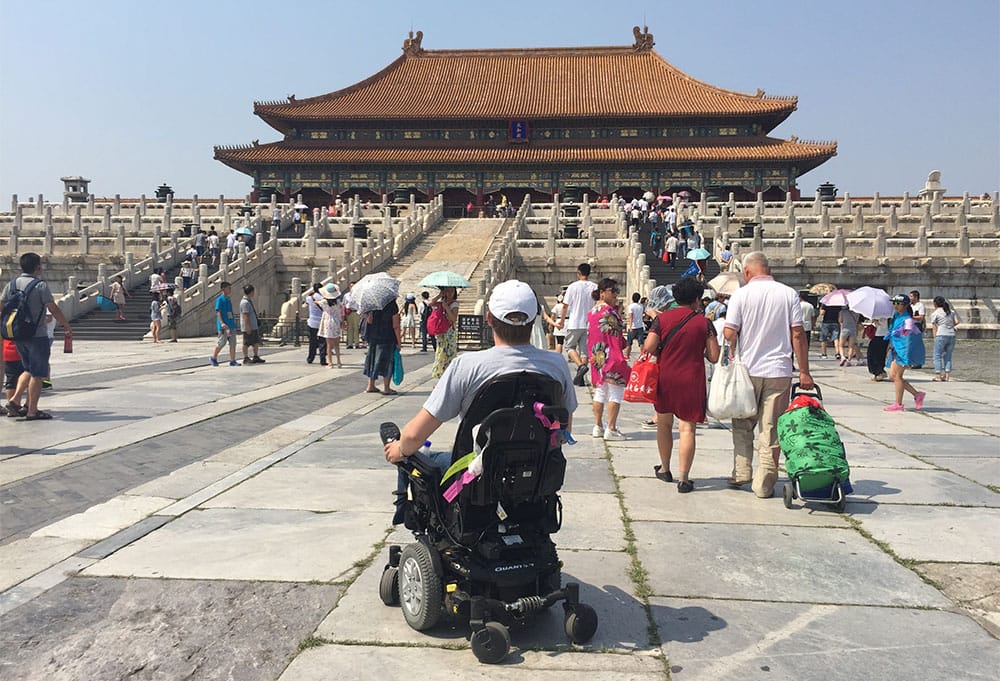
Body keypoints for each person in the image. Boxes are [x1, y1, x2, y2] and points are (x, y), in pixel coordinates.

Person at [383, 279, 578, 522]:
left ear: (488, 318)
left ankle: (406, 512)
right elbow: (563, 429)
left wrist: (399, 449)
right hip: (535, 471)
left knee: (421, 457)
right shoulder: (556, 365)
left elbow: (414, 436)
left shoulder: (467, 366)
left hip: (476, 473)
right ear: (536, 318)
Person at [723, 252, 813, 499]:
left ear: (747, 272)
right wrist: (804, 371)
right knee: (770, 427)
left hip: (747, 370)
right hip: (779, 371)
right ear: (768, 269)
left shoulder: (740, 295)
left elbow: (729, 333)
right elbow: (797, 334)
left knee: (742, 423)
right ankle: (764, 483)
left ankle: (742, 471)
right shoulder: (788, 294)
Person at [642, 277, 721, 492]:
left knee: (664, 425)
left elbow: (649, 346)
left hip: (666, 378)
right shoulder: (704, 323)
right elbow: (714, 356)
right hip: (691, 380)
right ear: (697, 299)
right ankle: (684, 478)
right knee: (687, 429)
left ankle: (665, 469)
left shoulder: (662, 319)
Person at [0, 252, 72, 420]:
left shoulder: (11, 284)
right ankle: (32, 410)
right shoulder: (40, 285)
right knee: (38, 373)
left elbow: (2, 306)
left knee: (27, 369)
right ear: (37, 267)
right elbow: (52, 308)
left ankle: (15, 399)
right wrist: (66, 325)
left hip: (18, 334)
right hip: (37, 334)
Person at [587, 278, 630, 441]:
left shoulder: (591, 312)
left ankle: (598, 426)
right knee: (615, 393)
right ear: (602, 292)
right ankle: (611, 428)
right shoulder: (610, 312)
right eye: (613, 292)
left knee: (600, 392)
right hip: (611, 356)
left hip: (597, 356)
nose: (616, 295)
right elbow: (617, 337)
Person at [884, 294, 926, 411]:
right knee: (893, 375)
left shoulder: (908, 320)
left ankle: (898, 403)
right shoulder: (896, 317)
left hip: (902, 351)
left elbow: (909, 339)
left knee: (897, 376)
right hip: (896, 349)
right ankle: (917, 395)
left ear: (905, 305)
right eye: (894, 303)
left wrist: (906, 355)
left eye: (898, 304)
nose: (895, 306)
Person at [562, 263, 598, 385]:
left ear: (578, 273)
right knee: (584, 351)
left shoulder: (572, 287)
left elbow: (565, 305)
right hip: (589, 323)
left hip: (575, 322)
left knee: (569, 347)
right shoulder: (595, 287)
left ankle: (580, 366)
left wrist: (561, 320)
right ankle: (581, 378)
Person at [364, 297, 401, 395]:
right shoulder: (392, 305)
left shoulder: (374, 304)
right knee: (387, 362)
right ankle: (386, 388)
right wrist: (399, 341)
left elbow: (370, 321)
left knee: (372, 361)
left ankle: (370, 385)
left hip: (374, 337)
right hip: (388, 338)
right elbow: (396, 326)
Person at [430, 286, 461, 379]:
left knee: (449, 354)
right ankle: (441, 377)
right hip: (441, 332)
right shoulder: (441, 303)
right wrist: (440, 294)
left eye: (452, 291)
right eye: (447, 291)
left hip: (449, 332)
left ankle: (447, 377)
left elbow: (453, 318)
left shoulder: (454, 304)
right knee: (440, 353)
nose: (450, 293)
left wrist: (446, 307)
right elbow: (431, 303)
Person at [209, 281, 239, 366]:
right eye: (228, 288)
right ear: (223, 289)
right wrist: (222, 323)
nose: (230, 289)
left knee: (233, 342)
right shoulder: (220, 299)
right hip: (224, 326)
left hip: (231, 324)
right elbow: (218, 311)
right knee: (222, 342)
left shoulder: (228, 299)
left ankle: (233, 360)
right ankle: (214, 357)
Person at [930, 296, 959, 382]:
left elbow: (934, 327)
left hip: (941, 334)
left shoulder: (935, 313)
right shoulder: (951, 312)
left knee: (937, 355)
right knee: (948, 356)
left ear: (935, 303)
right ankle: (947, 375)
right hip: (951, 335)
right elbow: (957, 322)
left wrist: (935, 337)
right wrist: (950, 326)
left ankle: (938, 375)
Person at [318, 283, 344, 368]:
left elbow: (318, 302)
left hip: (327, 321)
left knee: (329, 344)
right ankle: (339, 362)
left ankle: (330, 363)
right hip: (336, 321)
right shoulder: (338, 303)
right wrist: (342, 322)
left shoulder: (324, 302)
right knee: (337, 343)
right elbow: (341, 312)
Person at [239, 284, 264, 364]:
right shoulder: (245, 303)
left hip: (253, 325)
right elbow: (245, 315)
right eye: (253, 291)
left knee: (255, 342)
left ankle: (255, 356)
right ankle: (245, 357)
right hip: (248, 326)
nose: (254, 293)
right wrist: (247, 327)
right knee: (246, 343)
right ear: (251, 292)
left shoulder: (248, 301)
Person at [305, 283, 326, 365]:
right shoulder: (322, 298)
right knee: (322, 341)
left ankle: (310, 358)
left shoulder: (309, 298)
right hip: (321, 321)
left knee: (312, 341)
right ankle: (322, 359)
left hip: (312, 322)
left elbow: (306, 299)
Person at [864, 316, 889, 382]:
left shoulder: (886, 314)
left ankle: (880, 371)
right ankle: (876, 372)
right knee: (872, 354)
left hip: (882, 335)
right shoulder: (876, 314)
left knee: (879, 355)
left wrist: (876, 320)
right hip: (876, 335)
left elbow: (883, 324)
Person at [625, 292, 645, 358]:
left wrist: (630, 327)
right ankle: (642, 355)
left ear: (632, 298)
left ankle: (627, 355)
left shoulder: (631, 306)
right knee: (641, 343)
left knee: (629, 343)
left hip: (633, 326)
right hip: (640, 326)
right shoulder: (641, 306)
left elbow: (631, 317)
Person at [343, 281, 361, 349]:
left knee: (356, 328)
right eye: (351, 286)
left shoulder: (359, 294)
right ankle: (350, 343)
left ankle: (357, 343)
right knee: (349, 328)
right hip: (349, 312)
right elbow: (344, 304)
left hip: (356, 312)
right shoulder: (346, 295)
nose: (352, 287)